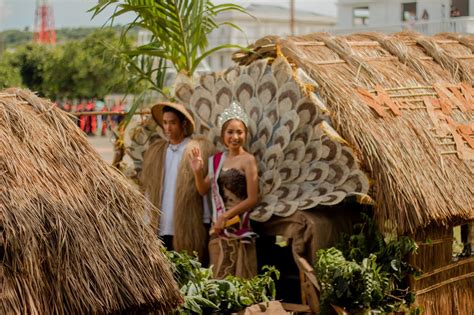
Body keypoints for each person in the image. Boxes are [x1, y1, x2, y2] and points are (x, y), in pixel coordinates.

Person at [189, 101, 259, 279]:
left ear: (246, 134)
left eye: (239, 132)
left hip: (239, 225)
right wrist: (197, 171)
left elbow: (252, 198)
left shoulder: (248, 160)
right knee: (219, 279)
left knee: (243, 282)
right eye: (230, 132)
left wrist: (226, 216)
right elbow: (203, 190)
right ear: (222, 135)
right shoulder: (216, 160)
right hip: (219, 229)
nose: (235, 136)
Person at [140, 102, 212, 261]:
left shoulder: (194, 149)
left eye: (172, 123)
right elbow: (150, 189)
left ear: (183, 123)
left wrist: (206, 219)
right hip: (161, 223)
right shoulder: (158, 151)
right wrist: (146, 219)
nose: (168, 128)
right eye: (165, 123)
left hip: (186, 224)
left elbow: (204, 189)